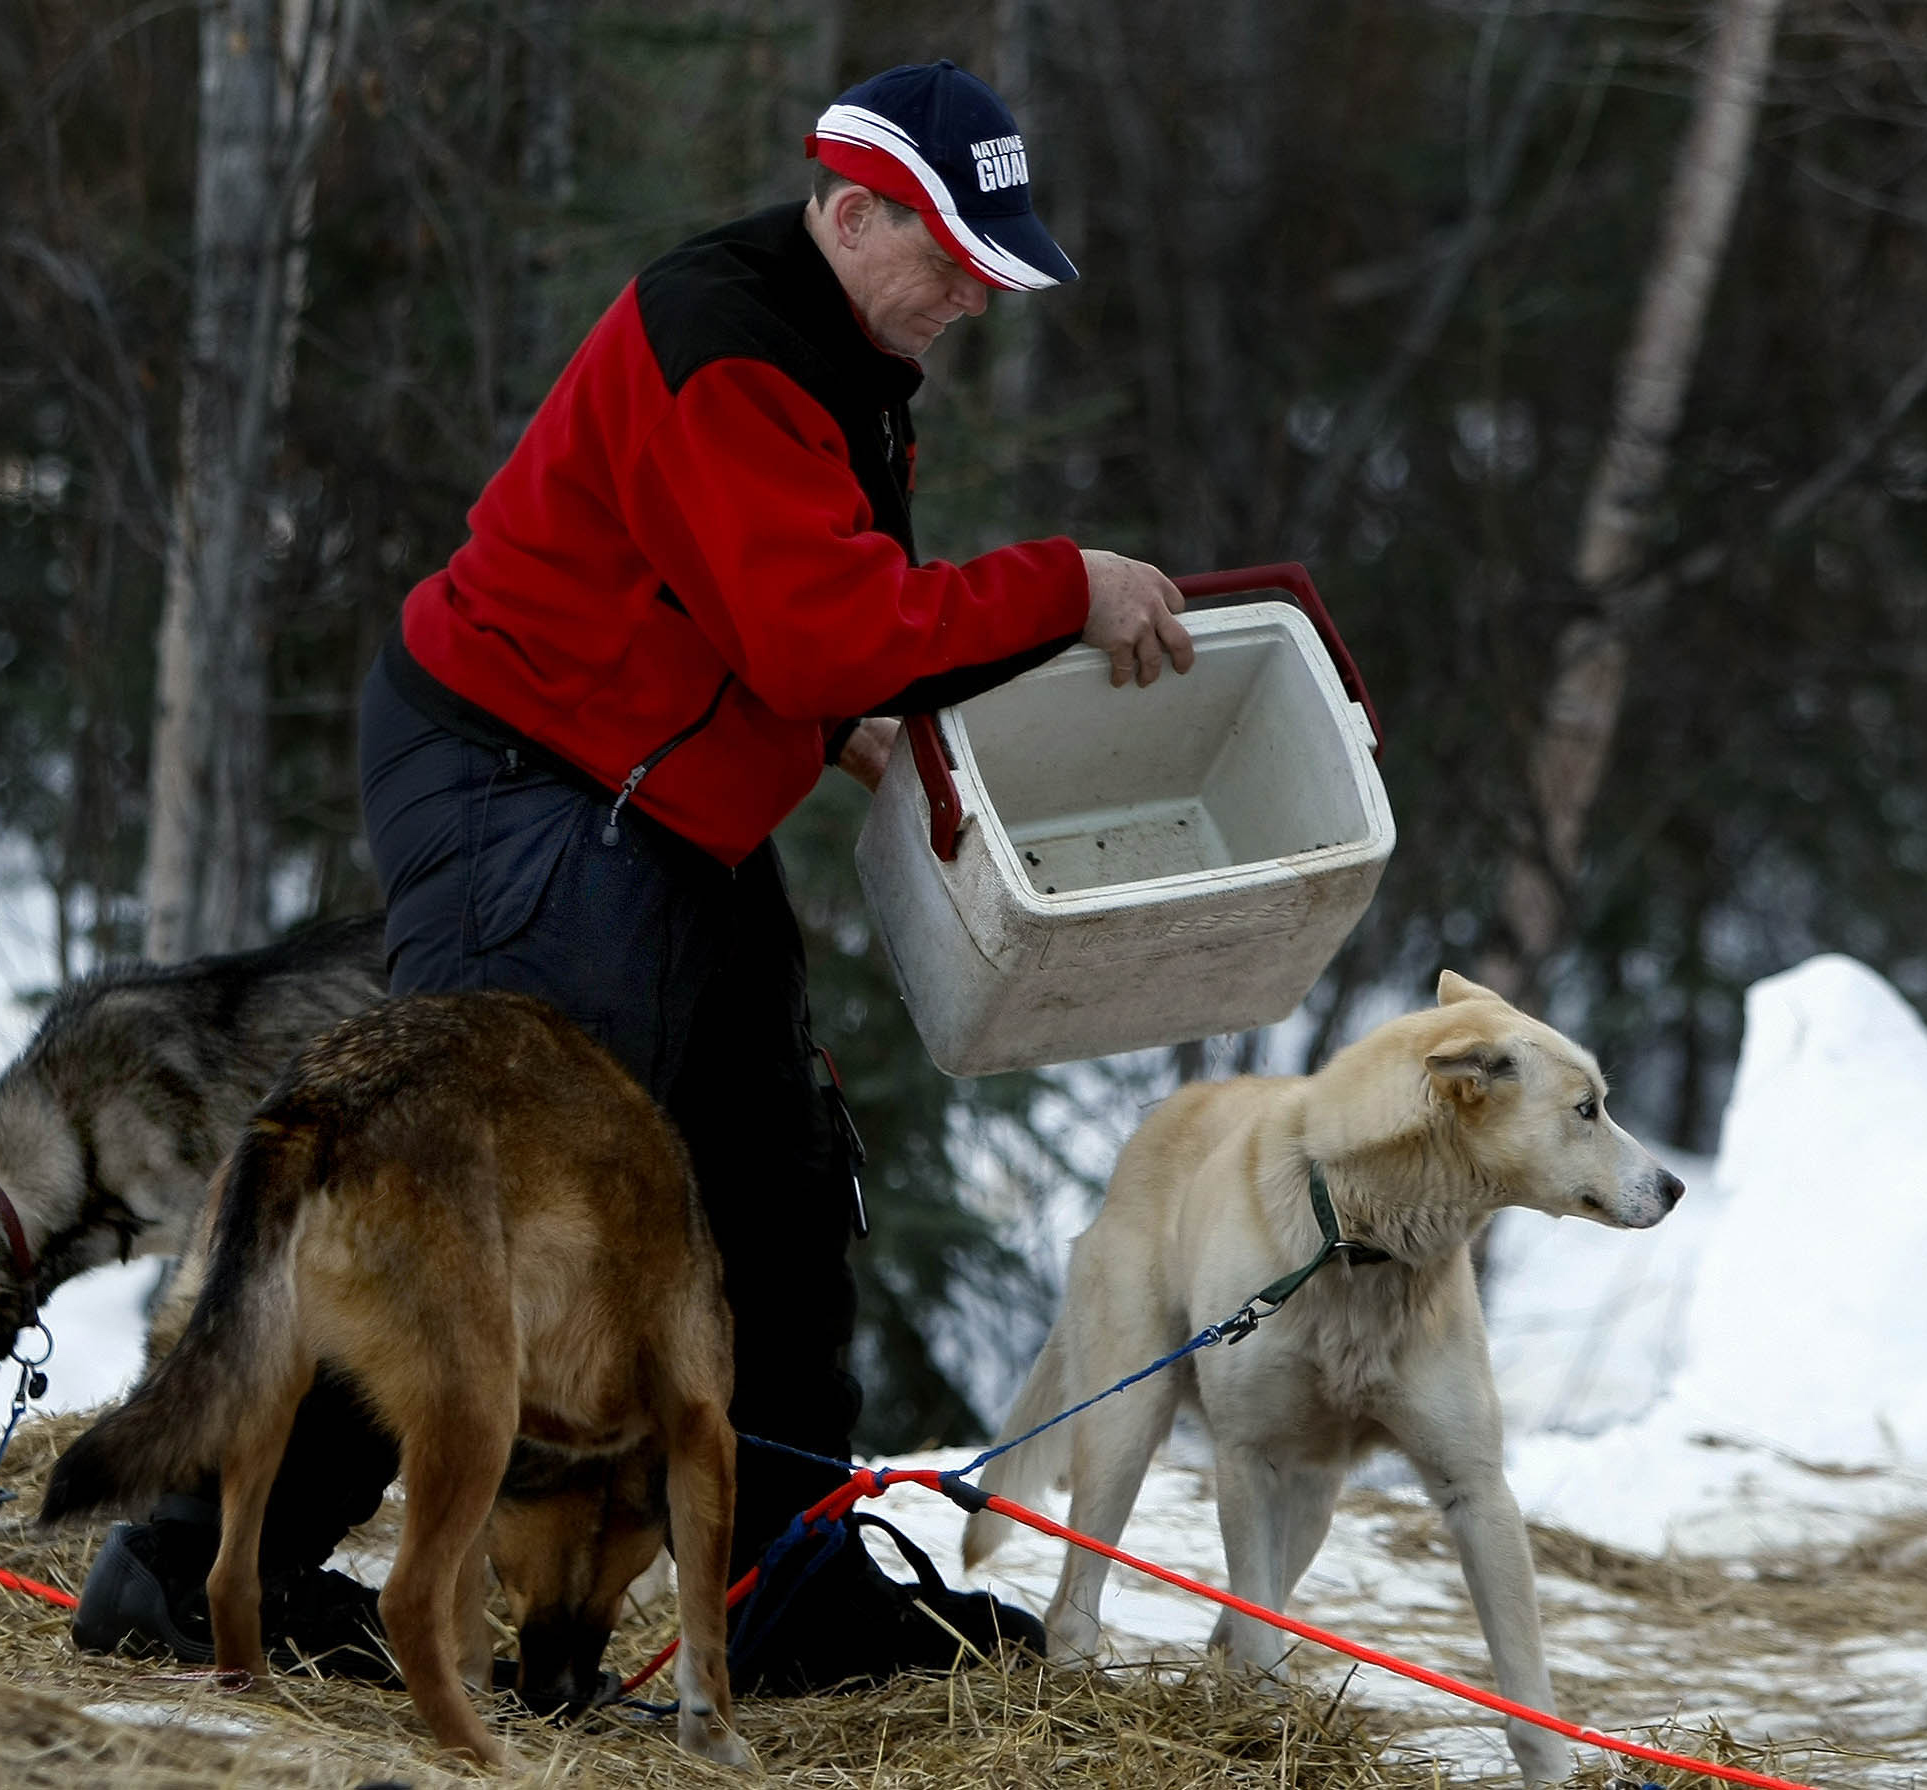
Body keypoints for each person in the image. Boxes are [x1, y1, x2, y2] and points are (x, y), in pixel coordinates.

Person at [72, 58, 1194, 1695]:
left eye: (988, 265)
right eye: (947, 256)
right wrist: (1065, 586)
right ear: (849, 207)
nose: (968, 296)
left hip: (651, 791)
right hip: (524, 778)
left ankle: (794, 1591)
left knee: (774, 1183)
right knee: (482, 1199)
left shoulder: (845, 343)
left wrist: (837, 733)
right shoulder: (728, 345)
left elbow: (740, 598)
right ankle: (176, 1569)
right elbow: (812, 627)